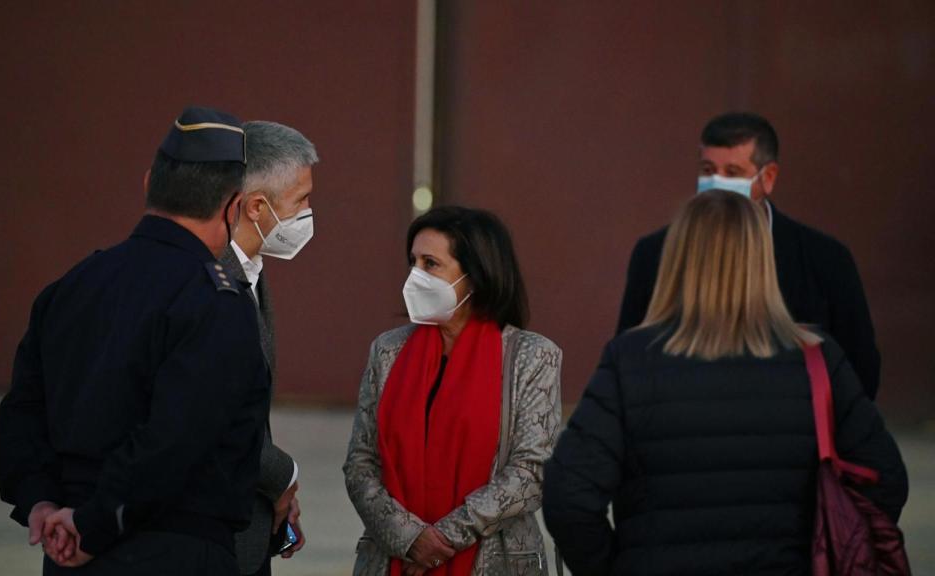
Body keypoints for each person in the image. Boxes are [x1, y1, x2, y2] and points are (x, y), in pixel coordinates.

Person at [544, 190, 908, 576]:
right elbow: (884, 480)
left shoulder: (630, 359)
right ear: (762, 261)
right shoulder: (817, 358)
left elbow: (569, 496)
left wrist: (615, 566)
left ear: (677, 259)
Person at [0, 106, 271, 575]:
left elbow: (19, 417)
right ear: (234, 206)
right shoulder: (216, 300)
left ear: (148, 186)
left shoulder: (71, 287)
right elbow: (175, 440)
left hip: (67, 551)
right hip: (171, 551)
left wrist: (42, 504)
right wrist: (94, 525)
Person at [344, 206, 562, 576]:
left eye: (431, 264)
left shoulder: (532, 356)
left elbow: (530, 471)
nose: (415, 276)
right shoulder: (388, 351)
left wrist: (442, 540)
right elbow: (361, 463)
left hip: (495, 560)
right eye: (413, 262)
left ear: (475, 276)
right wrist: (410, 539)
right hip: (394, 558)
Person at [616, 112, 882, 399]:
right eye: (708, 170)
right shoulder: (655, 253)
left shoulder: (825, 260)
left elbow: (860, 369)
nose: (716, 183)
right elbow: (628, 357)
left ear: (768, 178)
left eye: (732, 173)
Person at [223, 120, 318, 575]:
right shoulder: (209, 282)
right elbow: (219, 415)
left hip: (250, 521)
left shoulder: (253, 269)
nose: (307, 214)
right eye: (300, 201)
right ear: (257, 206)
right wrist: (283, 478)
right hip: (214, 541)